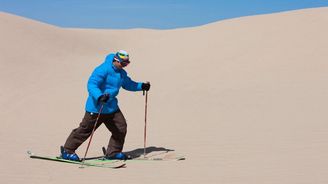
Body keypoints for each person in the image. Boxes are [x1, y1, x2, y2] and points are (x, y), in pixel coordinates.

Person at [60, 50, 150, 161]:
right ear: (116, 60)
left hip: (111, 108)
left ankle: (113, 152)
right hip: (97, 107)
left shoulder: (122, 73)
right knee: (85, 130)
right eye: (123, 63)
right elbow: (92, 84)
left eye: (127, 63)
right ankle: (67, 151)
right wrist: (99, 96)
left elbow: (128, 84)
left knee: (121, 128)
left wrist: (141, 86)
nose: (124, 66)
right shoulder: (102, 69)